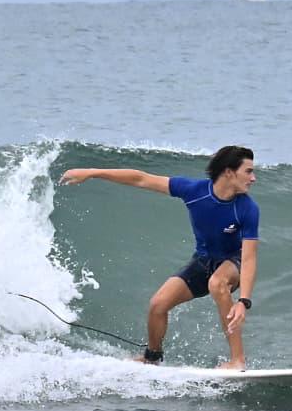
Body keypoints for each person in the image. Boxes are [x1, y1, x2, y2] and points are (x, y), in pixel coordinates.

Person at [59, 146, 259, 369]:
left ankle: (237, 360)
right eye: (248, 171)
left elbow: (249, 258)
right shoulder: (194, 190)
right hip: (203, 261)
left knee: (217, 283)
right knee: (157, 305)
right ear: (229, 172)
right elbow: (141, 179)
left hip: (234, 262)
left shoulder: (247, 208)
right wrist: (92, 172)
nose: (253, 178)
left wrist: (243, 301)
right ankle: (152, 357)